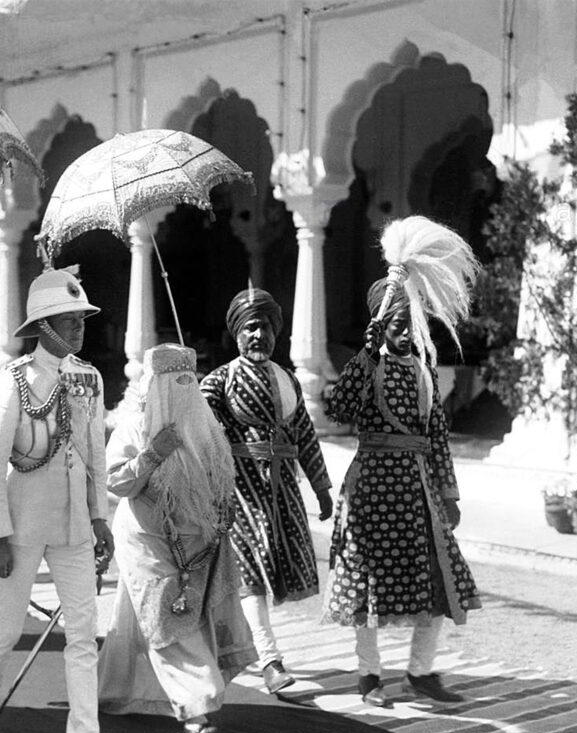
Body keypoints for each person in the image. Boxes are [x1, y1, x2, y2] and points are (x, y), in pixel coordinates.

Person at [0, 266, 129, 733]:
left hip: (76, 525)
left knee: (84, 634)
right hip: (21, 525)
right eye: (68, 318)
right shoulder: (12, 380)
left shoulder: (90, 379)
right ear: (43, 325)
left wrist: (101, 516)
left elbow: (97, 456)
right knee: (8, 627)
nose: (79, 326)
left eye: (81, 317)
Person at [323, 216, 481, 707]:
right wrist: (365, 355)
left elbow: (437, 437)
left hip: (419, 490)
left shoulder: (425, 370)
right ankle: (369, 677)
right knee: (367, 583)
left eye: (406, 319)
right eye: (391, 321)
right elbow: (338, 407)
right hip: (372, 487)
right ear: (379, 324)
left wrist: (449, 494)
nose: (401, 327)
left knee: (440, 577)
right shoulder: (366, 367)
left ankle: (421, 672)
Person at [99, 344, 255, 733]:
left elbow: (222, 477)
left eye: (189, 381)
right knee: (166, 619)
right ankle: (198, 703)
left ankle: (114, 689)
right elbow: (115, 482)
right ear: (153, 385)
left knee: (143, 617)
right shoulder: (134, 425)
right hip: (145, 540)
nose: (182, 390)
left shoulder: (206, 427)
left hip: (197, 542)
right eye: (172, 382)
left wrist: (224, 509)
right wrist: (152, 454)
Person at [200, 288, 333, 694]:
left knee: (269, 575)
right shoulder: (219, 381)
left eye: (266, 327)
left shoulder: (287, 378)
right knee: (249, 576)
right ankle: (271, 660)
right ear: (237, 333)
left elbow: (305, 435)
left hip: (282, 494)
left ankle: (232, 651)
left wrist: (322, 487)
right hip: (237, 493)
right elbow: (202, 436)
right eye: (250, 327)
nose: (259, 335)